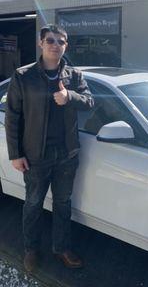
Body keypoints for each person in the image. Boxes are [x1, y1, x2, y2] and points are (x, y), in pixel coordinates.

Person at [5, 24, 94, 273]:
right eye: (51, 40)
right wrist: (16, 154)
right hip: (36, 156)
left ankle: (61, 248)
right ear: (40, 43)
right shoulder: (23, 76)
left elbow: (89, 101)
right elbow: (13, 117)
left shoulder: (74, 77)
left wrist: (70, 98)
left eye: (61, 41)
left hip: (67, 155)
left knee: (63, 204)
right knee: (33, 204)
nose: (56, 45)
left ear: (66, 45)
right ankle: (31, 249)